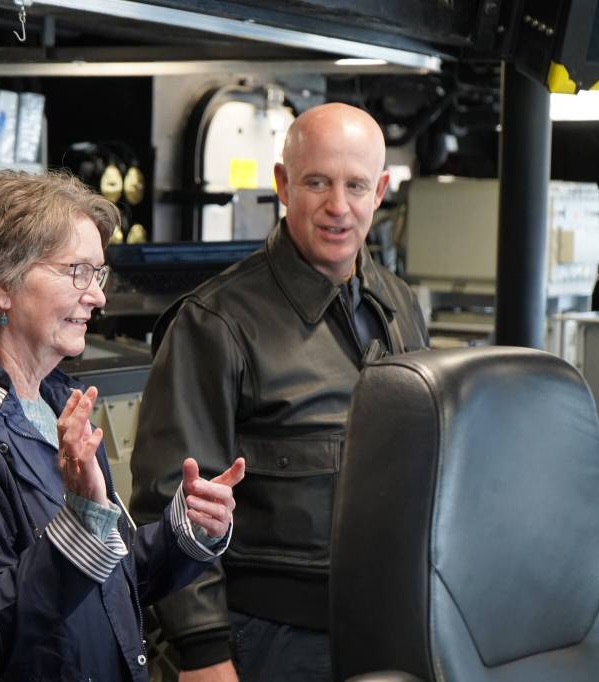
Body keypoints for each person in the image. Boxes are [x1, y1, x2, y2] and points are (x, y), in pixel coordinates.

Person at [0, 169, 246, 682]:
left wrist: (185, 531)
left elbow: (107, 578)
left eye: (98, 274)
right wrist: (81, 522)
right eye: (77, 271)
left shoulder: (59, 399)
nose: (98, 296)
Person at [129, 102, 430, 681]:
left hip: (392, 625)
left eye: (355, 185)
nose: (338, 206)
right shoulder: (215, 323)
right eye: (317, 182)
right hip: (268, 641)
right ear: (282, 185)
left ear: (381, 190)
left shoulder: (400, 306)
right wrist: (202, 650)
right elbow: (172, 498)